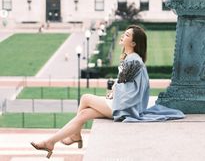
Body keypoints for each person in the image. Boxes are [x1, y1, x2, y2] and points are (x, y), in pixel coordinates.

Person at [31, 25, 184, 158]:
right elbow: (125, 84)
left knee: (85, 98)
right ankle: (51, 142)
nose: (123, 36)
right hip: (128, 105)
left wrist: (115, 92)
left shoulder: (133, 60)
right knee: (84, 114)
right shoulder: (133, 58)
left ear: (133, 43)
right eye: (125, 33)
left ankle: (75, 135)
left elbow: (125, 87)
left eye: (127, 35)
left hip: (126, 108)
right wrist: (115, 90)